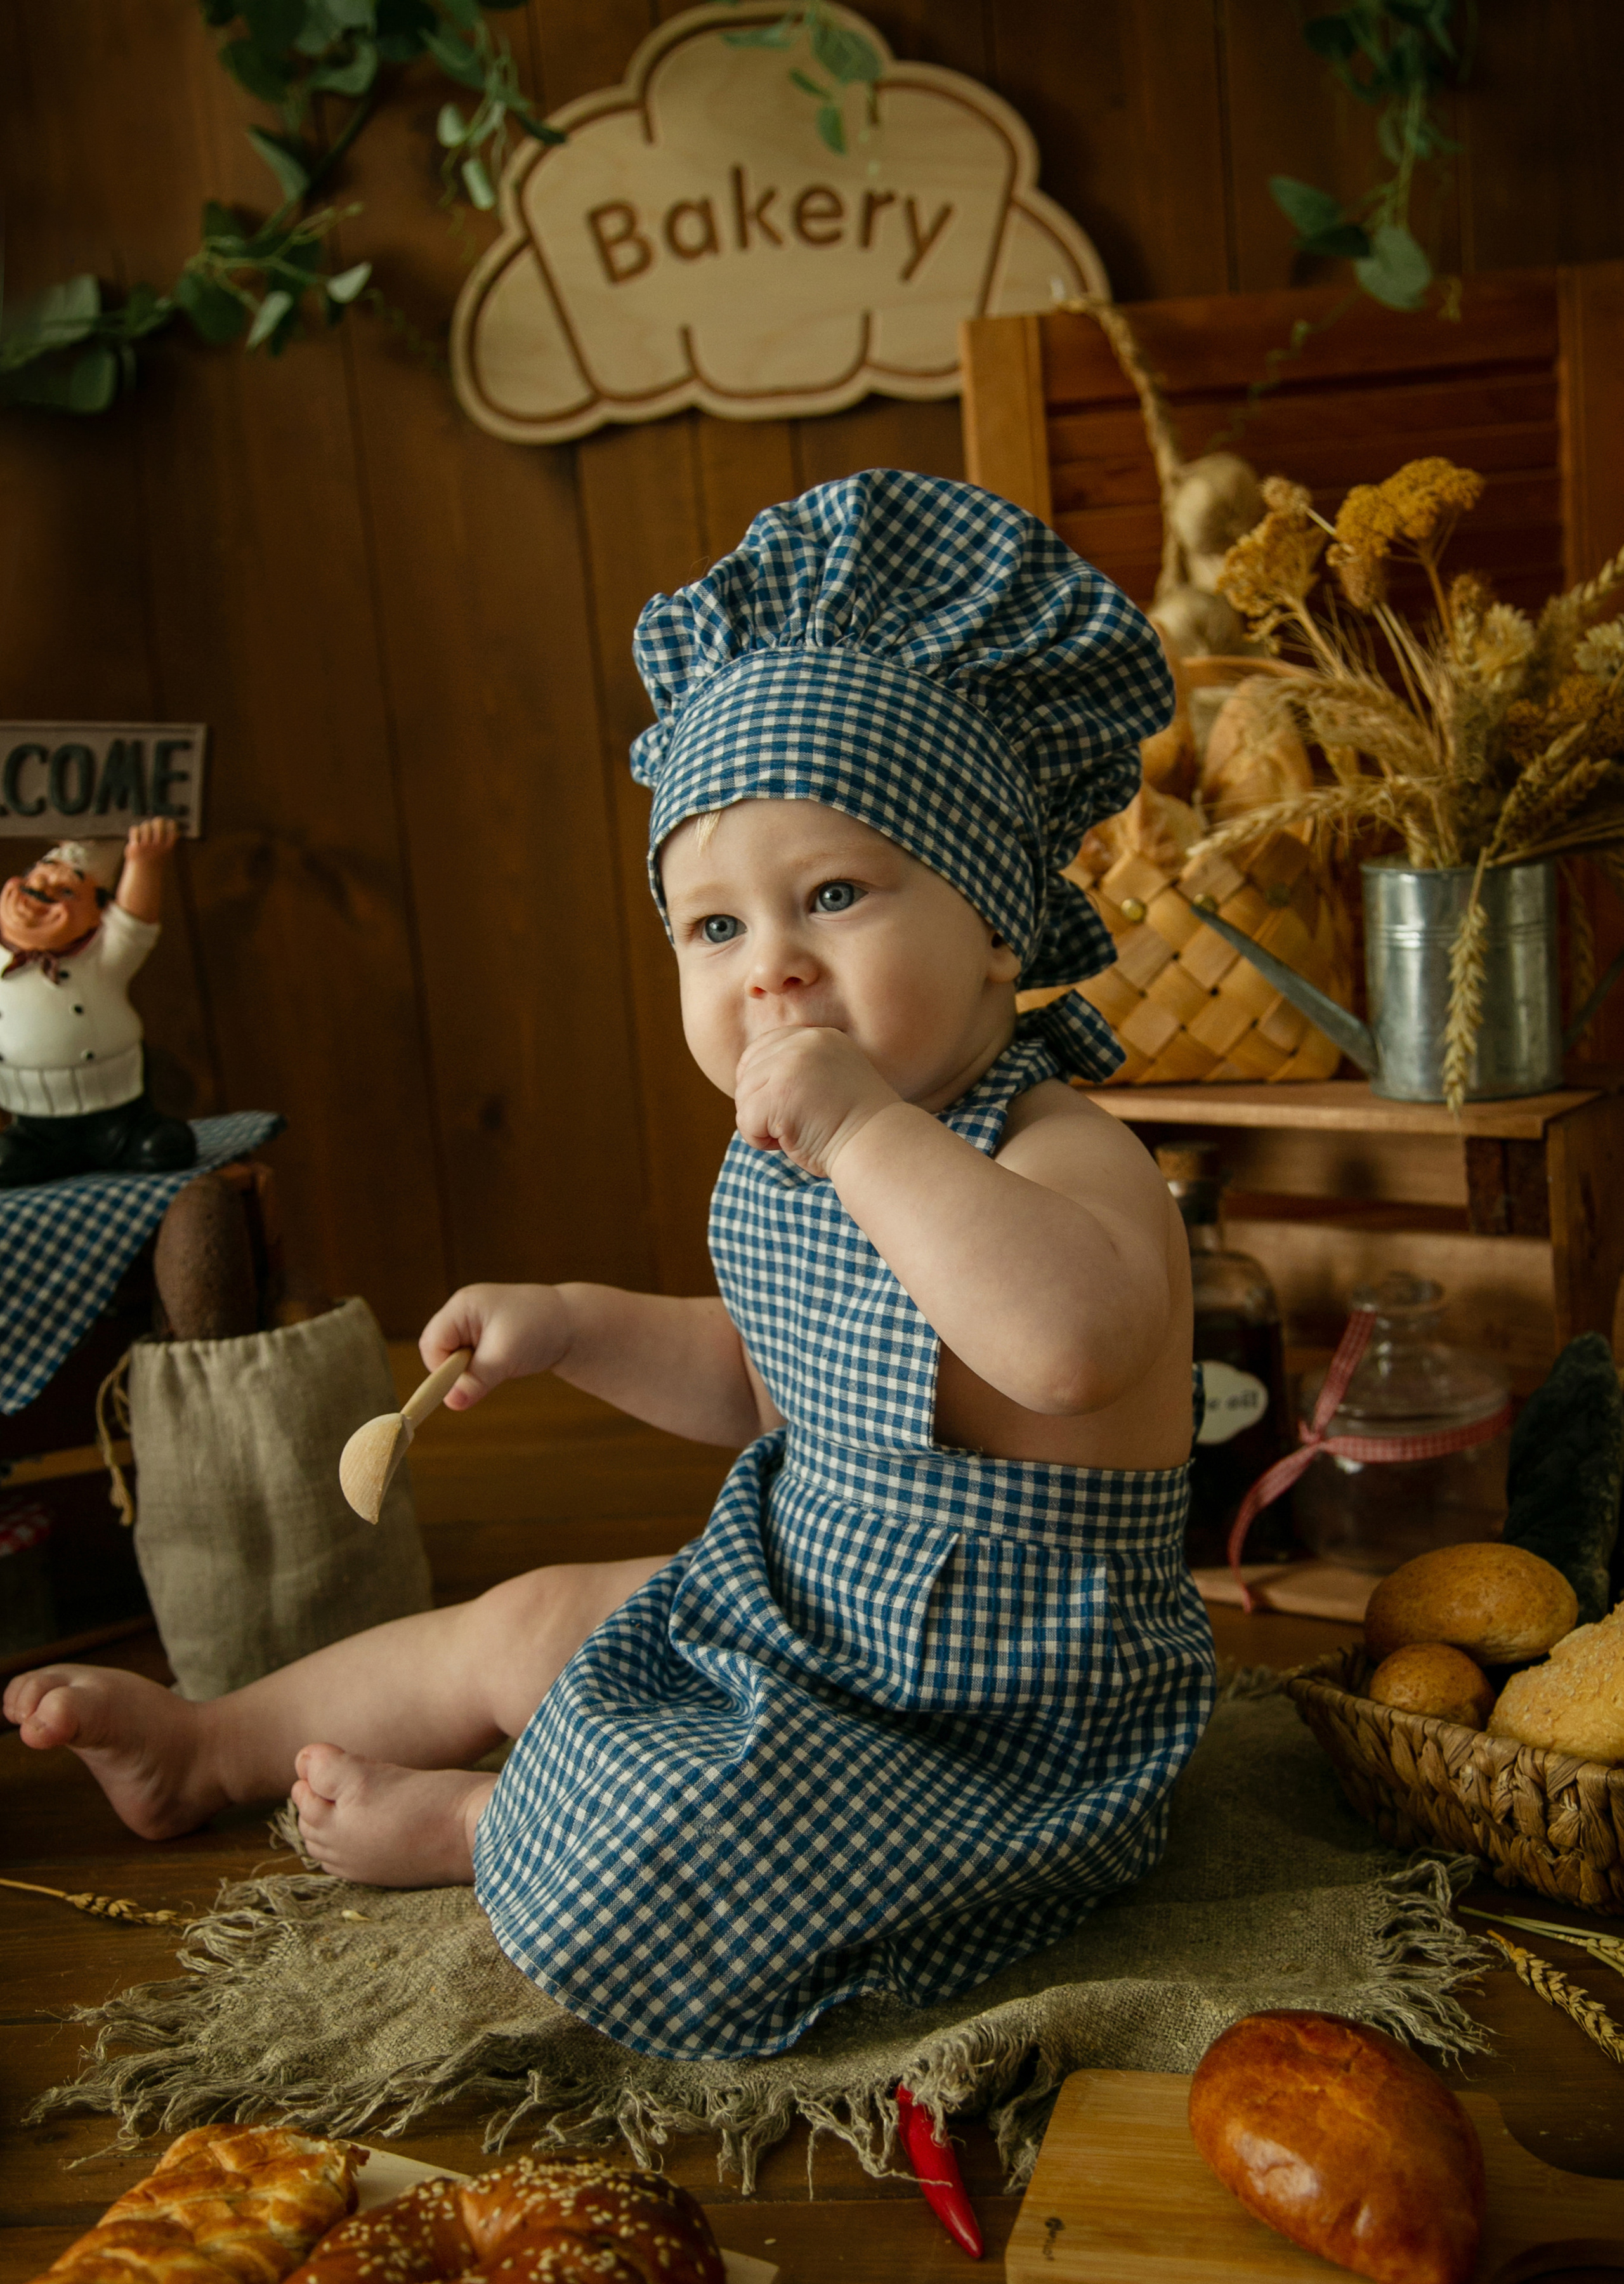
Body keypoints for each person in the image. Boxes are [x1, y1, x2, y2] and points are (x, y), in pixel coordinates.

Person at [5, 473, 1215, 2062]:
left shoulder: (1056, 1151)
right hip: (813, 1605)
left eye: (834, 895)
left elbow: (1061, 1351)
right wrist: (573, 1324)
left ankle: (484, 1829)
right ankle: (215, 1740)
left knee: (690, 1814)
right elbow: (769, 1374)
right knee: (529, 1621)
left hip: (997, 1716)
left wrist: (860, 1132)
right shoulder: (794, 1154)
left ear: (994, 922)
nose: (769, 960)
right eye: (710, 928)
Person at [0, 820, 193, 1187]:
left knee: (163, 1148)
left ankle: (131, 1139)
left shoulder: (103, 957)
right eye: (32, 882)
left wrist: (144, 863)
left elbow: (134, 921)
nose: (42, 892)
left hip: (116, 1109)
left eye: (66, 891)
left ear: (98, 914)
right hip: (32, 1117)